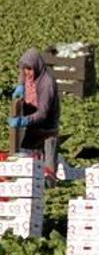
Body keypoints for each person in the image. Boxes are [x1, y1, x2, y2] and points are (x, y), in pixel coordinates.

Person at [9, 48, 61, 180]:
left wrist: (23, 121)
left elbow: (43, 113)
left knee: (48, 164)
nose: (27, 73)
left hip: (47, 126)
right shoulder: (28, 74)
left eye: (30, 69)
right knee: (28, 155)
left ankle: (50, 184)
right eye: (25, 69)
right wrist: (20, 85)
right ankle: (33, 182)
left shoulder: (46, 83)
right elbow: (23, 72)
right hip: (33, 125)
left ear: (37, 66)